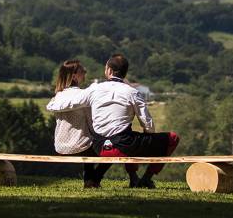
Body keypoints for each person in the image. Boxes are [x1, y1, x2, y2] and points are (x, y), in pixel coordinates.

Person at [47, 53, 179, 189]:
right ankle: (146, 178)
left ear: (108, 70)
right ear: (125, 72)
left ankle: (102, 180)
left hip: (100, 145)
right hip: (124, 144)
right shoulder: (132, 92)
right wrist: (148, 135)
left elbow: (72, 101)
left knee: (123, 140)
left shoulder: (94, 89)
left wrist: (52, 104)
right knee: (168, 138)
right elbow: (148, 123)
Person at [47, 59, 101, 188]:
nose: (85, 73)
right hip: (81, 147)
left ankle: (90, 180)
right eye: (83, 71)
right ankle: (92, 180)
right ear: (74, 76)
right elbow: (92, 124)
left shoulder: (58, 96)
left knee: (88, 142)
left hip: (60, 146)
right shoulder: (83, 96)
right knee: (109, 146)